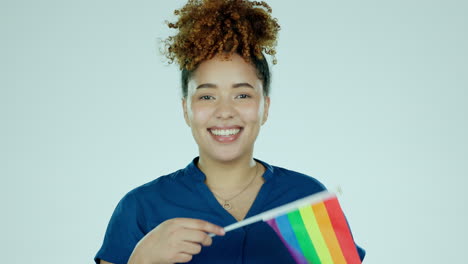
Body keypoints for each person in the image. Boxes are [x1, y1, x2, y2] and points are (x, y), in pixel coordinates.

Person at [95, 1, 365, 263]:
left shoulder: (306, 198)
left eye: (242, 95)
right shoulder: (141, 207)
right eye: (207, 97)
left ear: (265, 107)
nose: (225, 111)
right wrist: (141, 261)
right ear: (186, 110)